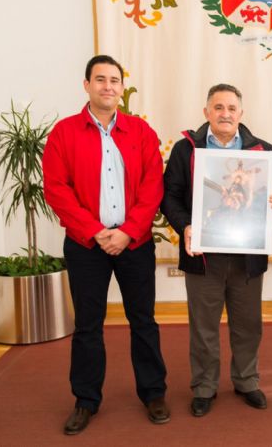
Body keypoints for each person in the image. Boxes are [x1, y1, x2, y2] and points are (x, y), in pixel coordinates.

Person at [43, 55, 169, 434]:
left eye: (115, 80)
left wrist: (128, 231)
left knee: (143, 321)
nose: (108, 86)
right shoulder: (63, 133)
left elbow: (153, 187)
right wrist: (96, 231)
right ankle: (85, 400)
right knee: (87, 326)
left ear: (121, 87)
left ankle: (153, 393)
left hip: (134, 243)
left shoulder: (141, 132)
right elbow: (56, 189)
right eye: (101, 80)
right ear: (87, 85)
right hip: (86, 245)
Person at [161, 84, 272, 417]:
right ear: (206, 113)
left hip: (247, 255)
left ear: (241, 114)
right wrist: (185, 226)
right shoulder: (185, 150)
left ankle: (247, 380)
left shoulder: (262, 151)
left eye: (231, 108)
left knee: (248, 324)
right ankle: (204, 386)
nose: (225, 114)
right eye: (218, 107)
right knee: (203, 325)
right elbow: (169, 197)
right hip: (203, 256)